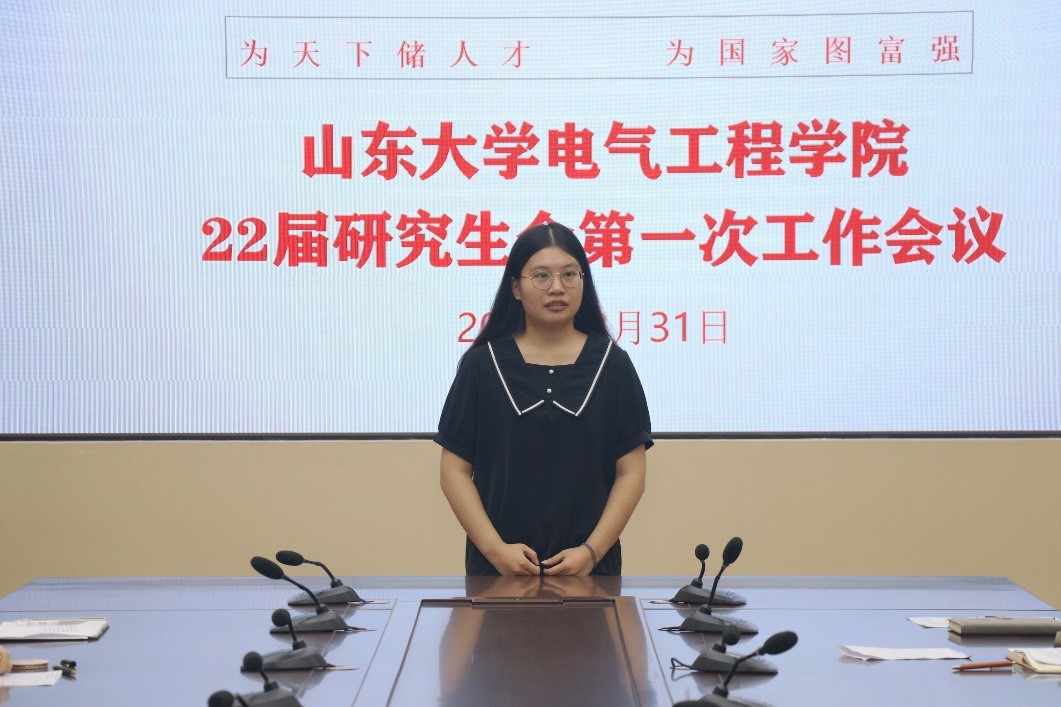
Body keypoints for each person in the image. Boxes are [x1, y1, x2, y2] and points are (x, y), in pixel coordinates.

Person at [435, 221, 652, 576]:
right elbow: (454, 471)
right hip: (498, 571)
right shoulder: (482, 365)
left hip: (590, 571)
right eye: (541, 276)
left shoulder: (612, 363)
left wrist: (591, 553)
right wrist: (495, 551)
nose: (557, 287)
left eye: (569, 274)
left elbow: (631, 472)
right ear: (515, 287)